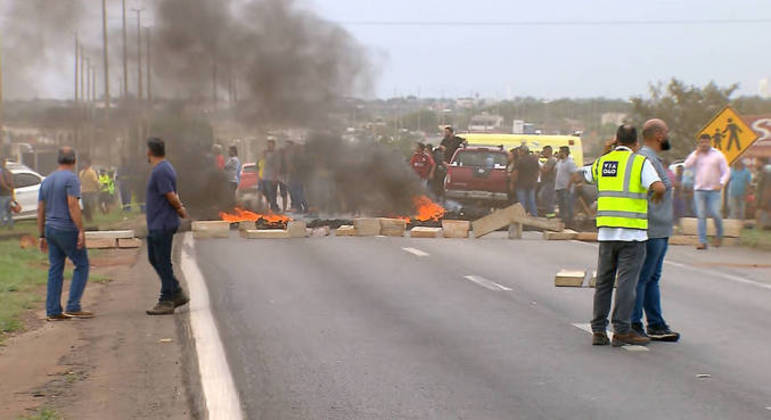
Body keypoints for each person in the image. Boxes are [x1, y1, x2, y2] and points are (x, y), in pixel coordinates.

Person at [585, 125, 665, 347]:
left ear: (616, 140)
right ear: (636, 143)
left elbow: (588, 176)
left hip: (607, 232)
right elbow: (659, 187)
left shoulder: (603, 161)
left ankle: (598, 331)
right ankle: (621, 330)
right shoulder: (640, 162)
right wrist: (655, 195)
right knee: (626, 283)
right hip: (632, 234)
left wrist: (605, 152)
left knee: (603, 282)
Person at [632, 119, 680, 342]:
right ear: (659, 135)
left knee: (651, 278)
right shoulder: (646, 159)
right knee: (643, 277)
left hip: (659, 228)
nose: (668, 137)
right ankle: (635, 323)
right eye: (667, 133)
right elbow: (653, 191)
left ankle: (655, 323)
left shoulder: (652, 159)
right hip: (651, 228)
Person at [37, 147, 92, 321]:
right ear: (74, 162)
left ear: (58, 161)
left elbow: (40, 209)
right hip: (66, 228)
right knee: (82, 264)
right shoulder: (71, 178)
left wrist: (41, 235)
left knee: (55, 269)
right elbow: (72, 204)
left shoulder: (47, 181)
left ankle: (53, 310)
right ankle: (73, 306)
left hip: (50, 229)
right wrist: (81, 230)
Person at [144, 138, 190, 315]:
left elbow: (170, 194)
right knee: (155, 259)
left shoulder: (161, 170)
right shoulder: (163, 168)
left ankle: (167, 299)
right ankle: (176, 291)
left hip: (162, 223)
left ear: (150, 152)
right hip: (157, 223)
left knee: (162, 261)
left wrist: (180, 208)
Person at [684, 134, 730, 249]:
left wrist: (721, 183)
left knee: (715, 213)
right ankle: (702, 241)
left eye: (706, 142)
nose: (704, 145)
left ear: (710, 142)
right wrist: (696, 153)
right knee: (701, 215)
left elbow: (726, 171)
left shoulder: (718, 155)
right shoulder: (696, 154)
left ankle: (719, 236)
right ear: (699, 143)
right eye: (701, 143)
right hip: (699, 189)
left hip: (714, 190)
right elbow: (687, 165)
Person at [555, 146, 577, 226]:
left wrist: (568, 186)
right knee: (561, 205)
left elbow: (574, 175)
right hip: (559, 187)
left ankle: (570, 222)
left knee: (568, 205)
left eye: (560, 152)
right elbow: (556, 170)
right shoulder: (560, 162)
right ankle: (563, 220)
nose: (559, 153)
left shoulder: (570, 162)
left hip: (566, 188)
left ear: (564, 153)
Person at [514, 146, 539, 216]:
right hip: (531, 184)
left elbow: (516, 172)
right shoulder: (534, 159)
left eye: (519, 151)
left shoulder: (519, 160)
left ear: (523, 152)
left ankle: (522, 216)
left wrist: (513, 183)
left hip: (521, 184)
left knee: (522, 202)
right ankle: (534, 215)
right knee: (531, 201)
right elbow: (537, 172)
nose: (518, 153)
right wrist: (535, 181)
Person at [261, 139, 280, 212]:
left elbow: (277, 166)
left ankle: (274, 207)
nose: (269, 146)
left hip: (272, 177)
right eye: (268, 144)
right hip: (265, 176)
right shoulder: (266, 153)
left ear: (274, 145)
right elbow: (262, 162)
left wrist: (275, 177)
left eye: (270, 144)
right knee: (265, 193)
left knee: (272, 193)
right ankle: (268, 207)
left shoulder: (276, 154)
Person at [78, 158, 100, 222]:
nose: (83, 164)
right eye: (83, 163)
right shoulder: (81, 172)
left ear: (88, 164)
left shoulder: (91, 172)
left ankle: (91, 218)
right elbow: (80, 181)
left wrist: (98, 187)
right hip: (83, 191)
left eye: (85, 163)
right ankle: (87, 218)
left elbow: (95, 181)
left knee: (89, 204)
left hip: (91, 191)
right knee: (85, 205)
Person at [539, 146, 557, 218]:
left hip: (550, 182)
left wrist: (538, 164)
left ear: (548, 151)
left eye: (544, 151)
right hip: (547, 182)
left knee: (547, 198)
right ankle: (549, 213)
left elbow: (545, 170)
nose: (542, 153)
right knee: (543, 196)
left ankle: (551, 215)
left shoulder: (551, 160)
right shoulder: (549, 160)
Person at [0, 157, 15, 229]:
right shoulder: (8, 171)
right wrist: (11, 193)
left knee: (1, 211)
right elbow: (12, 184)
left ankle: (2, 225)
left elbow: (1, 182)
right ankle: (10, 225)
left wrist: (7, 188)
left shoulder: (1, 171)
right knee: (8, 211)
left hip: (2, 194)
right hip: (8, 194)